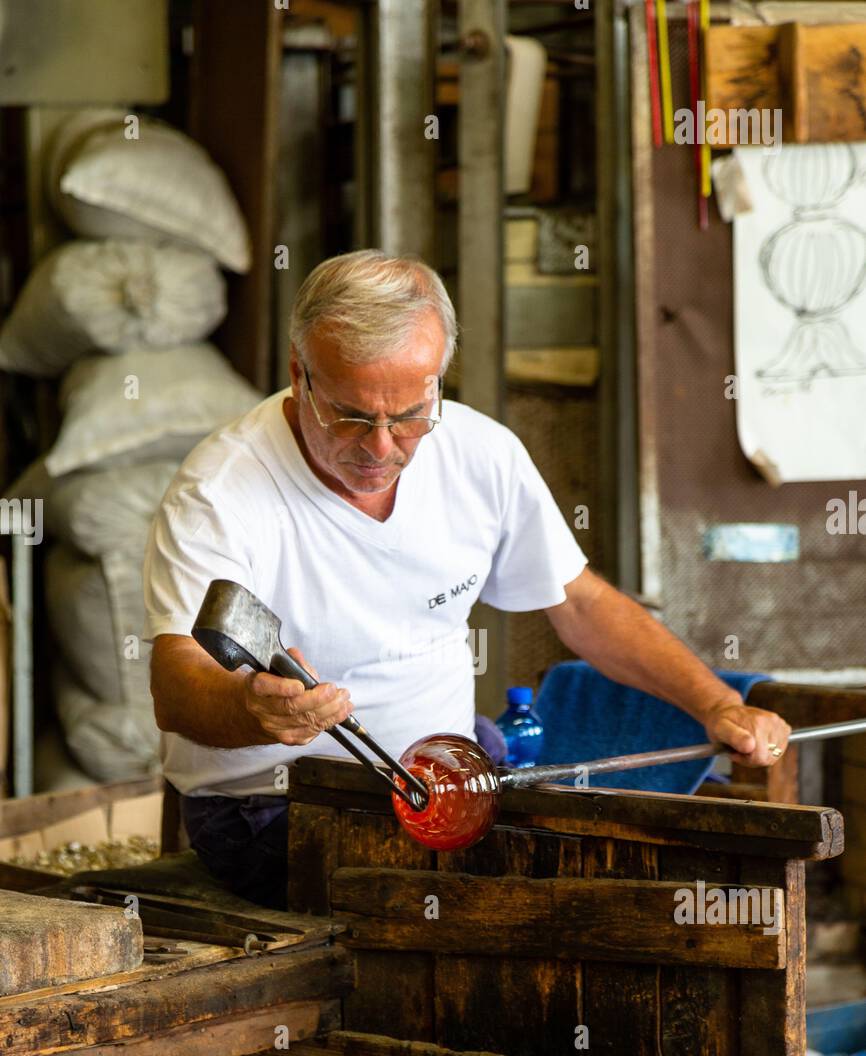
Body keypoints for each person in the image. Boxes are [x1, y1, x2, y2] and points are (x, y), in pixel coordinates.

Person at [144, 250, 790, 908]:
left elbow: (579, 601)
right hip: (272, 809)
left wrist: (715, 704)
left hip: (449, 781)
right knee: (484, 916)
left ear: (438, 384)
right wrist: (253, 709)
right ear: (297, 374)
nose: (381, 448)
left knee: (612, 884)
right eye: (351, 416)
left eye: (409, 416)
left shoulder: (483, 454)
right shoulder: (220, 493)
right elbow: (177, 684)